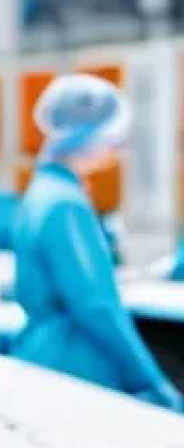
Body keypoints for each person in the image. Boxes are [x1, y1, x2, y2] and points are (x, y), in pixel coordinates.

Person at [10, 73, 182, 409]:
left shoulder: (42, 192)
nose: (114, 147)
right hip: (72, 362)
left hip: (43, 354)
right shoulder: (65, 204)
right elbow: (95, 305)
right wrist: (150, 380)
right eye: (110, 136)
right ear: (87, 134)